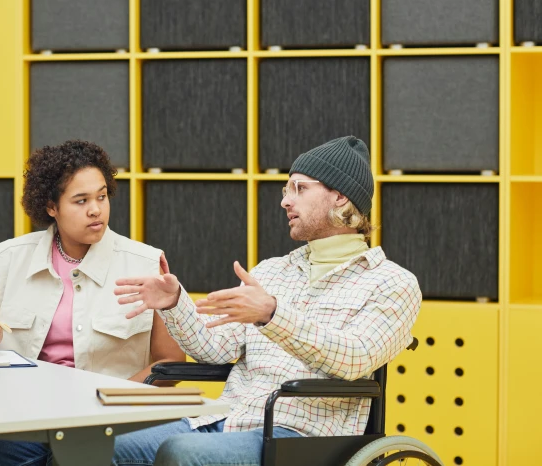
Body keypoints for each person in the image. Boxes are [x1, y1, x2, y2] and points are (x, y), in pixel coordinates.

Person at [110, 136, 422, 466]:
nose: (286, 201)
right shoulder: (273, 271)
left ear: (341, 197)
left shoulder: (392, 283)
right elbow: (216, 349)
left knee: (181, 454)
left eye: (299, 189)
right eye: (286, 191)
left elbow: (354, 359)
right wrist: (174, 302)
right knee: (104, 445)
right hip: (228, 422)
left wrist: (271, 314)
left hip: (303, 438)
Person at [0, 140, 184, 466]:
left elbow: (170, 362)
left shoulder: (144, 263)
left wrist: (109, 398)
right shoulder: (16, 258)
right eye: (81, 200)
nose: (96, 209)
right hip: (27, 418)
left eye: (102, 197)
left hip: (109, 422)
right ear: (51, 207)